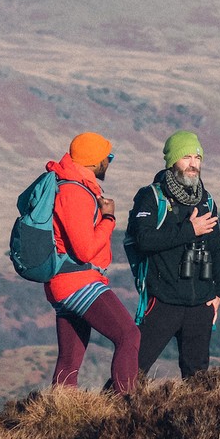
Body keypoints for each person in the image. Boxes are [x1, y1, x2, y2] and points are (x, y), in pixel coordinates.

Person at [128, 130, 220, 379]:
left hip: (200, 305)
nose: (193, 164)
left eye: (197, 157)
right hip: (163, 301)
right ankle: (105, 414)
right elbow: (143, 240)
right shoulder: (151, 197)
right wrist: (189, 231)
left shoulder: (207, 200)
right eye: (186, 157)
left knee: (198, 382)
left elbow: (217, 247)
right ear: (172, 161)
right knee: (132, 371)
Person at [45, 132, 140, 392]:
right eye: (108, 157)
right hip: (77, 281)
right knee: (128, 335)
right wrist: (109, 219)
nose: (109, 162)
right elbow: (85, 250)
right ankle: (126, 406)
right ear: (94, 161)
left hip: (65, 283)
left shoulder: (75, 186)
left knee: (69, 361)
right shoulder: (73, 192)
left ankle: (60, 415)